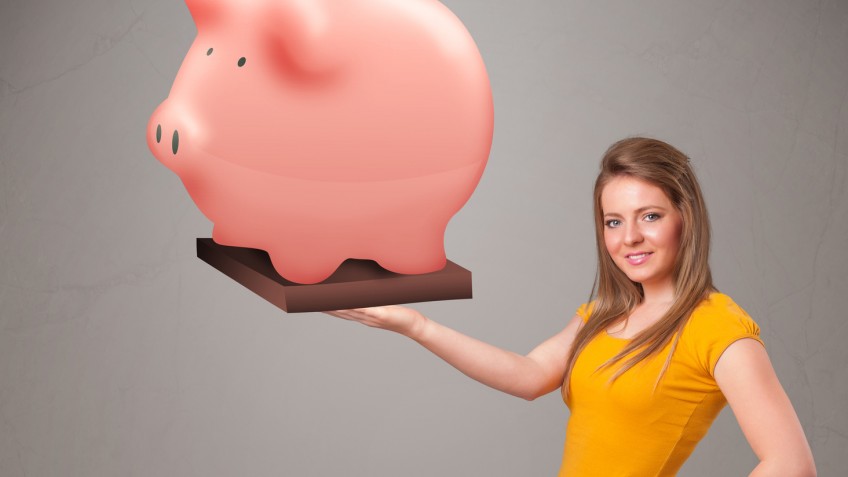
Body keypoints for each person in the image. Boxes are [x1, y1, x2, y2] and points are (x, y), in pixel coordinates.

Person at [326, 137, 816, 476]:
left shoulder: (718, 326)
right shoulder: (606, 311)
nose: (631, 239)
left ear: (685, 218)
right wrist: (415, 324)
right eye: (613, 222)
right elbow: (529, 374)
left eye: (650, 216)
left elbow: (791, 465)